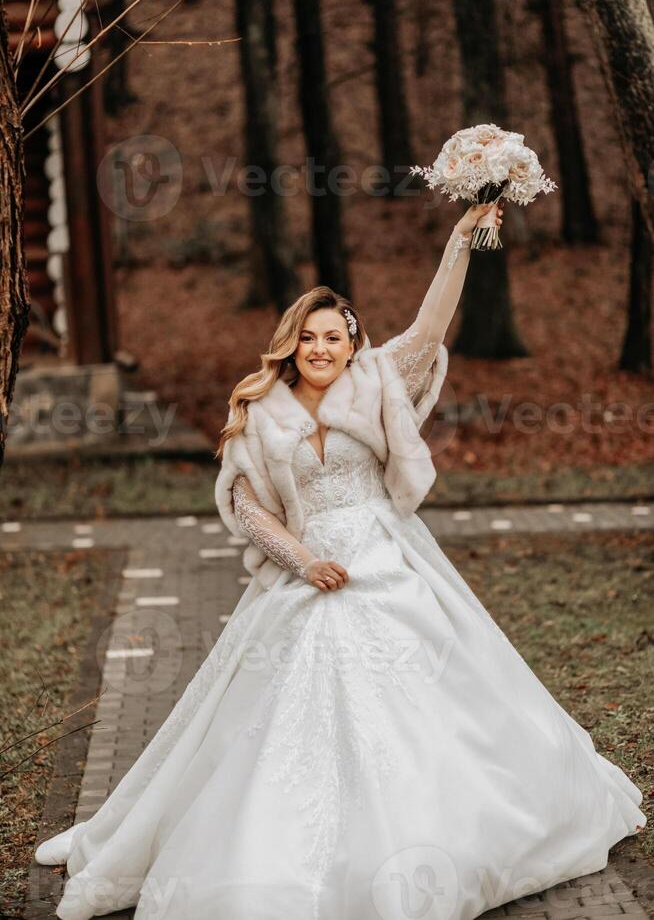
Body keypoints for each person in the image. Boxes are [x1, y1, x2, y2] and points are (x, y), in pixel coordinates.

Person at [35, 202, 646, 920]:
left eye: (333, 337)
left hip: (387, 558)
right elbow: (247, 505)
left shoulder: (380, 379)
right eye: (308, 338)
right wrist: (300, 560)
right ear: (290, 343)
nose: (321, 349)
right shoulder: (261, 409)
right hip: (307, 570)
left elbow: (430, 327)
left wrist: (457, 244)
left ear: (350, 344)